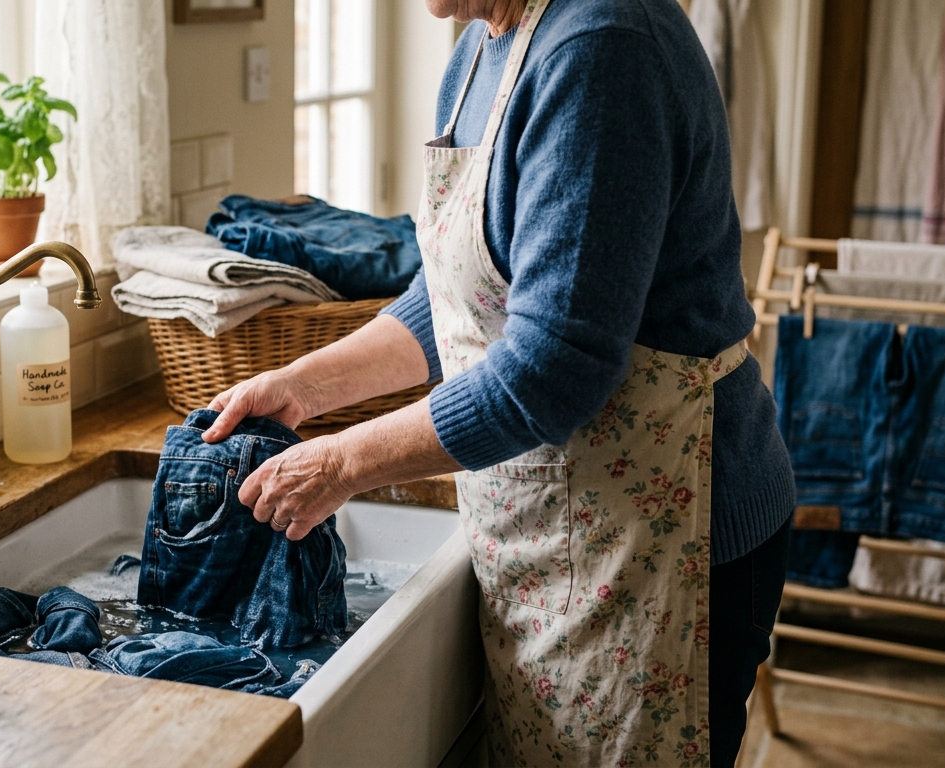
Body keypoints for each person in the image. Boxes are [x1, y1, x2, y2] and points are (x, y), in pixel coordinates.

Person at [203, 0, 795, 764]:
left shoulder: (603, 49)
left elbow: (551, 369)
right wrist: (304, 387)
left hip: (669, 540)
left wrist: (339, 463)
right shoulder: (484, 45)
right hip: (562, 530)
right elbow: (456, 291)